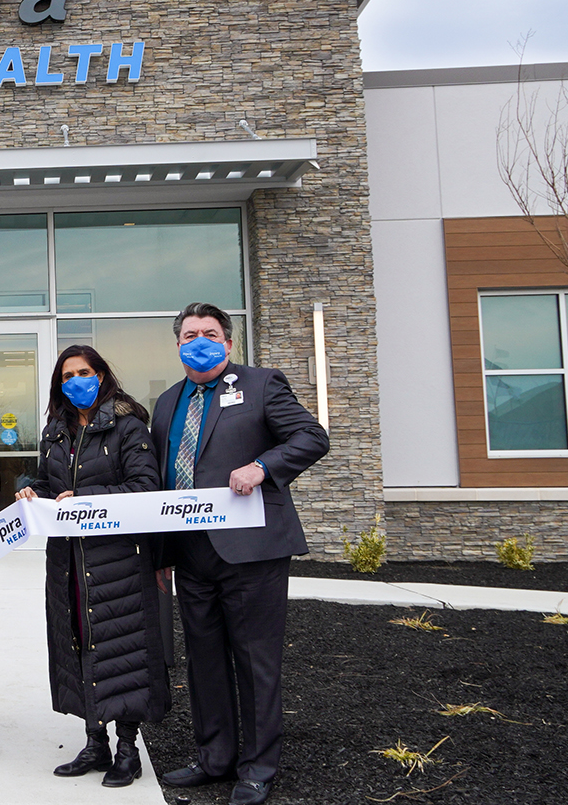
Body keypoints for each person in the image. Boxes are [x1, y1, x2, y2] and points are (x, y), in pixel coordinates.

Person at [151, 303, 330, 805]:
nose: (199, 340)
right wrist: (163, 551)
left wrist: (262, 467)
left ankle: (258, 766)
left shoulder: (261, 383)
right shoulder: (167, 403)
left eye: (209, 333)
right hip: (191, 553)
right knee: (203, 661)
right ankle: (215, 757)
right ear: (179, 344)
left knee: (255, 661)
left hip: (252, 552)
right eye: (189, 334)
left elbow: (312, 436)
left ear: (228, 343)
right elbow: (166, 480)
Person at [16, 344, 168, 789]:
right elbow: (48, 483)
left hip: (116, 558)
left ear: (101, 375)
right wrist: (31, 491)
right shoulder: (55, 431)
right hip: (67, 560)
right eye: (67, 375)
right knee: (78, 643)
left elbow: (144, 486)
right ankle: (94, 741)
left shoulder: (127, 425)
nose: (75, 380)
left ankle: (127, 749)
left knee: (121, 649)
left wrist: (88, 499)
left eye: (83, 372)